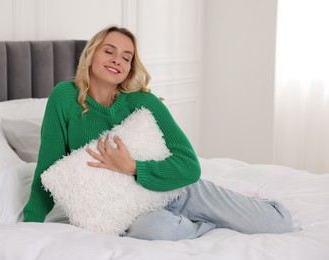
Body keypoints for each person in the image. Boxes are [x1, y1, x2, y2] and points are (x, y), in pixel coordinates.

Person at [23, 25, 294, 240]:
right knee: (158, 231)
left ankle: (242, 205)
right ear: (92, 54)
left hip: (177, 190)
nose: (117, 60)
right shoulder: (64, 97)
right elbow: (49, 168)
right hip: (129, 210)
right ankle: (209, 225)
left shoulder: (144, 102)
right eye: (109, 51)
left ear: (130, 67)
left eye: (126, 57)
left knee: (277, 223)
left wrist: (132, 167)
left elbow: (189, 166)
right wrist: (29, 226)